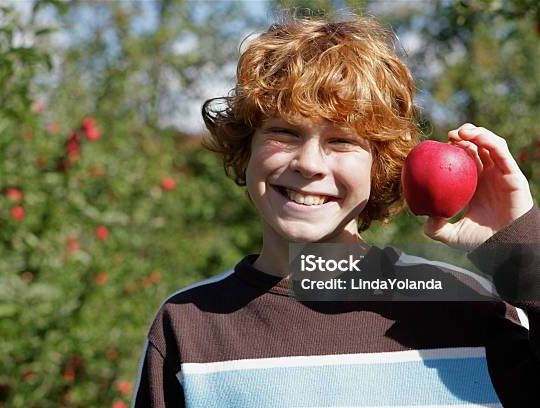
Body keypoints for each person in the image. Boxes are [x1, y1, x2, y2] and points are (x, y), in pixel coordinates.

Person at [132, 13, 539, 407]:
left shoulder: (465, 307)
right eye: (284, 133)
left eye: (342, 141)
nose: (309, 163)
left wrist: (522, 255)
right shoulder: (189, 327)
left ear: (380, 167)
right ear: (246, 149)